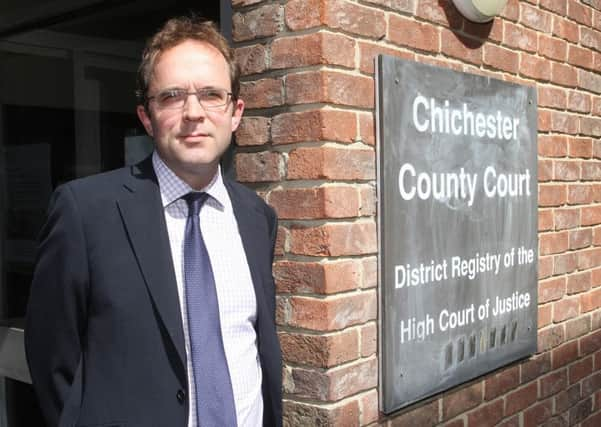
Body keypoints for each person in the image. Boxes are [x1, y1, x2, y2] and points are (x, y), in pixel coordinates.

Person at [25, 16, 282, 427]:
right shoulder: (84, 212)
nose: (193, 113)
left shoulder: (257, 218)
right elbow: (52, 359)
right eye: (173, 96)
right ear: (146, 116)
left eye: (211, 95)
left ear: (236, 113)